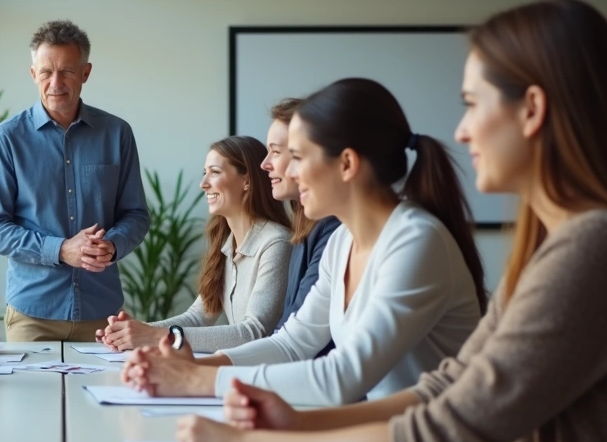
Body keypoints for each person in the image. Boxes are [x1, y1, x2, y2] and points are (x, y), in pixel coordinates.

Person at [176, 0, 607, 442]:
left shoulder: (597, 250)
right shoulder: (558, 247)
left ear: (531, 110)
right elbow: (451, 384)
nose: (460, 132)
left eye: (471, 103)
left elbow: (447, 433)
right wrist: (299, 422)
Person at [123, 77, 486, 406]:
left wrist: (201, 379)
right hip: (384, 434)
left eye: (296, 157)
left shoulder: (415, 241)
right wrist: (201, 365)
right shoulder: (343, 240)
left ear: (346, 164)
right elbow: (291, 343)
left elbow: (342, 377)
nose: (287, 172)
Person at [0, 20, 149, 341]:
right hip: (33, 314)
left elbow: (136, 214)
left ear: (85, 73)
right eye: (46, 72)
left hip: (102, 312)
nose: (56, 82)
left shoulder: (117, 134)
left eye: (67, 71)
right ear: (33, 75)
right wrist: (60, 250)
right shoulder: (6, 139)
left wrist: (112, 245)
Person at [96, 136, 292, 352]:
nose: (203, 183)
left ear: (247, 180)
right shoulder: (227, 244)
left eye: (215, 172)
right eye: (204, 173)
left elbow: (254, 333)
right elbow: (198, 317)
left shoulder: (275, 242)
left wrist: (153, 336)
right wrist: (131, 332)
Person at [261, 98, 341, 347]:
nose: (265, 164)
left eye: (277, 152)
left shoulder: (333, 231)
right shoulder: (304, 228)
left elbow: (295, 340)